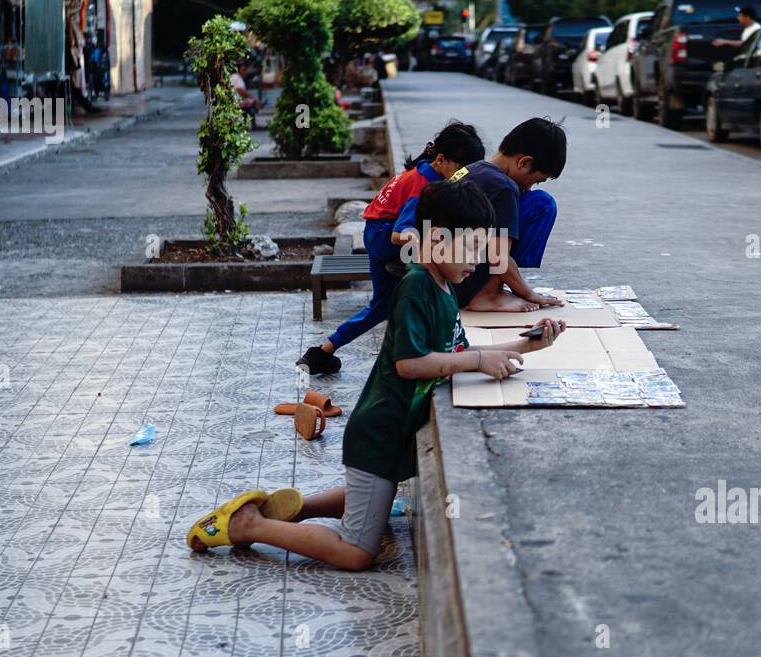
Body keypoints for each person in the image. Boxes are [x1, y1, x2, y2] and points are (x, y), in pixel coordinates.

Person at [187, 179, 567, 569]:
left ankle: (296, 508)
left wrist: (526, 345)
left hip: (392, 435)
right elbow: (411, 364)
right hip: (380, 433)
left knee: (375, 494)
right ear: (436, 239)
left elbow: (458, 351)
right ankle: (249, 525)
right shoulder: (416, 288)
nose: (479, 261)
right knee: (356, 552)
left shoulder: (445, 287)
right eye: (471, 247)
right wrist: (475, 363)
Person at [296, 121, 486, 375]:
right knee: (408, 293)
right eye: (461, 169)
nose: (463, 175)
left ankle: (322, 352)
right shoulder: (423, 186)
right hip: (385, 240)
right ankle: (323, 353)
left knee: (383, 306)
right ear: (441, 159)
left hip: (375, 235)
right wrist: (427, 249)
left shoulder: (422, 172)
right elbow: (399, 234)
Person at [448, 117, 568, 313]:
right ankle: (489, 293)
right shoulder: (503, 187)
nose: (529, 188)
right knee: (541, 204)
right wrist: (529, 293)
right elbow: (497, 257)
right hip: (461, 284)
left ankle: (492, 288)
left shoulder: (471, 169)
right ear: (524, 162)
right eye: (535, 180)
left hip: (441, 279)